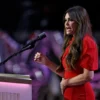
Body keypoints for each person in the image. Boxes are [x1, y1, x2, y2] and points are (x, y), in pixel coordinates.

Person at [34, 6, 98, 100]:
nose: (66, 23)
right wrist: (47, 62)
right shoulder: (71, 43)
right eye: (65, 20)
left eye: (71, 20)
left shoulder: (87, 41)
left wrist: (67, 82)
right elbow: (67, 74)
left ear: (80, 22)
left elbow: (88, 76)